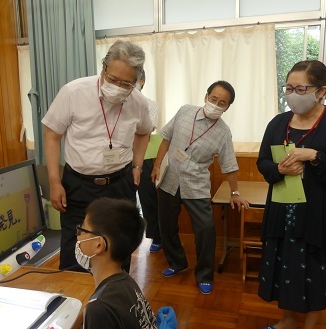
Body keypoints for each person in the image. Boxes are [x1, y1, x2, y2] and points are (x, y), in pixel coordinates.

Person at [256, 60, 326, 329]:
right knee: (284, 265)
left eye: (302, 89)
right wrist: (278, 168)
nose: (293, 94)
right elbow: (262, 163)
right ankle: (288, 321)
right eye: (289, 88)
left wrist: (315, 156)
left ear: (321, 90)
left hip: (317, 217)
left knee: (314, 270)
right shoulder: (278, 123)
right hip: (282, 211)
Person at [42, 40, 152, 272]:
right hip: (78, 184)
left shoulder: (139, 103)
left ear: (137, 81)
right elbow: (52, 134)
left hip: (119, 185)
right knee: (75, 250)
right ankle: (76, 301)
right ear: (103, 68)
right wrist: (54, 181)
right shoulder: (73, 92)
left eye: (126, 84)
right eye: (113, 79)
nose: (118, 87)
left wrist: (138, 165)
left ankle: (111, 301)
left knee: (117, 250)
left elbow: (144, 133)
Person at [34, 197, 158, 329]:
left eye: (82, 229)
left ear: (99, 244)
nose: (78, 236)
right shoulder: (126, 281)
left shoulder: (99, 309)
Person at [151, 81, 250, 295]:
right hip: (169, 178)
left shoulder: (223, 132)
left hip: (195, 184)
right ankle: (177, 262)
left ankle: (205, 274)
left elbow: (230, 165)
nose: (215, 104)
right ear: (206, 96)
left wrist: (235, 193)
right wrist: (157, 165)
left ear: (227, 107)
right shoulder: (185, 111)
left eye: (221, 103)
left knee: (205, 230)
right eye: (213, 99)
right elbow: (166, 139)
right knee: (166, 225)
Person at [135, 70, 162, 252]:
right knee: (124, 201)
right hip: (120, 159)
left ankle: (156, 236)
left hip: (145, 157)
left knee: (148, 200)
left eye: (135, 79)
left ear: (143, 81)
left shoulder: (150, 105)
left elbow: (146, 130)